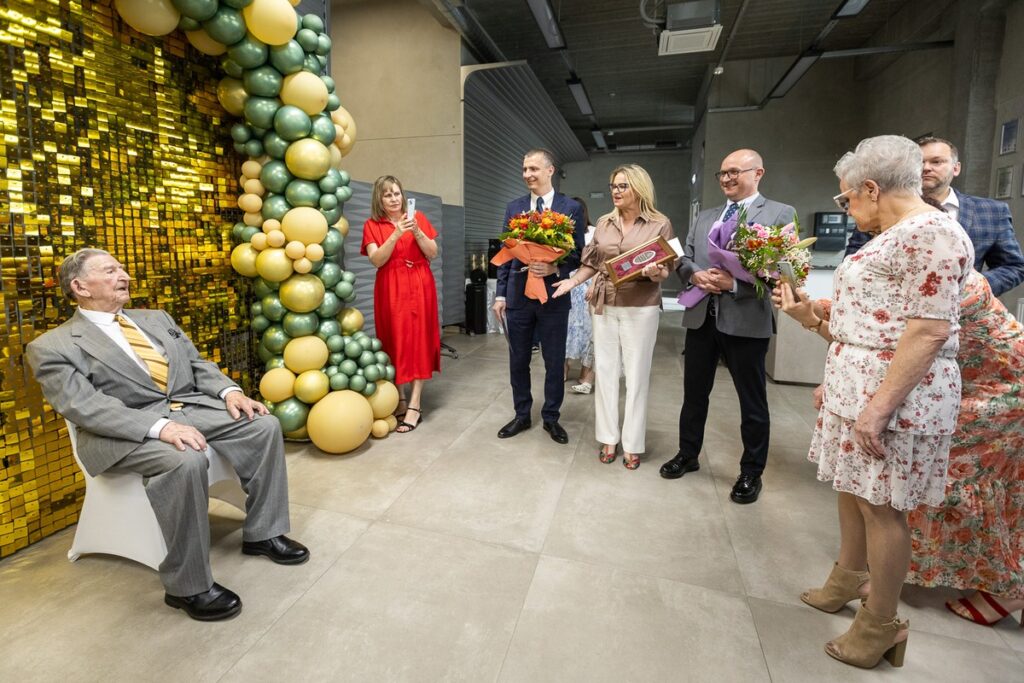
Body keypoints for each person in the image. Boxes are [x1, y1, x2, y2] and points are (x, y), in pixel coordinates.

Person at [26, 248, 308, 621]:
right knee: (184, 459)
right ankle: (187, 586)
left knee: (262, 424)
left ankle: (263, 533)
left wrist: (229, 392)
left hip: (187, 407)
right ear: (80, 287)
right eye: (110, 271)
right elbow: (85, 407)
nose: (124, 275)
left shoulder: (156, 318)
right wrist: (161, 428)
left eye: (122, 268)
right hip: (124, 431)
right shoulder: (52, 346)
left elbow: (195, 363)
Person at [779, 135, 973, 668]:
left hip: (897, 399)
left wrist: (880, 406)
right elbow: (870, 325)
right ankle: (848, 577)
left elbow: (929, 331)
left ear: (870, 188)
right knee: (852, 489)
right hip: (859, 385)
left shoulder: (932, 233)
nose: (846, 208)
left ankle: (881, 622)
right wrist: (811, 318)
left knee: (882, 508)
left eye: (845, 198)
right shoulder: (893, 234)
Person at [779, 271, 1024, 630]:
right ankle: (852, 576)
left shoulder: (941, 268)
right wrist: (813, 318)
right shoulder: (909, 261)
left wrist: (854, 386)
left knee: (922, 485)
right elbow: (867, 332)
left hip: (999, 390)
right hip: (950, 377)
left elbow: (901, 347)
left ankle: (1011, 588)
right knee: (864, 480)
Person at [659, 149, 795, 504]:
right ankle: (688, 454)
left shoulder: (780, 214)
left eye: (735, 172)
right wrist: (694, 274)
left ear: (758, 173)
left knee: (752, 402)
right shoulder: (706, 216)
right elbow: (684, 258)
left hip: (746, 320)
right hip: (701, 317)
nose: (727, 179)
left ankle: (751, 471)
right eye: (722, 173)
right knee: (693, 394)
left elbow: (785, 272)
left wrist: (733, 284)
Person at [552, 165, 674, 469]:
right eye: (613, 186)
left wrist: (656, 273)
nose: (616, 192)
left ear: (639, 188)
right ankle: (608, 437)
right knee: (605, 372)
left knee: (636, 376)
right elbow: (591, 264)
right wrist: (572, 282)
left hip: (641, 305)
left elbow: (666, 269)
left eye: (622, 186)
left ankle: (632, 443)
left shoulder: (660, 223)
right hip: (605, 304)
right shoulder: (605, 223)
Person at [845, 136, 1024, 296]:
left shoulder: (991, 211)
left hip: (964, 316)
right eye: (920, 163)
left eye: (937, 162)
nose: (926, 168)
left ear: (956, 168)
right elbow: (854, 259)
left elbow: (1013, 266)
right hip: (892, 312)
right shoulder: (879, 205)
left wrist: (968, 290)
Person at [492, 149, 586, 444]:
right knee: (518, 359)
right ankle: (522, 414)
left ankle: (551, 417)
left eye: (533, 168)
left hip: (554, 296)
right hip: (519, 296)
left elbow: (579, 253)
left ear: (550, 170)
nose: (527, 175)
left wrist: (556, 267)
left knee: (554, 361)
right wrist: (500, 295)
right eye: (524, 169)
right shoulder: (514, 207)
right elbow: (507, 254)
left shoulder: (570, 208)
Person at [361, 175, 440, 432]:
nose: (394, 199)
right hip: (390, 285)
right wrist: (396, 234)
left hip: (419, 282)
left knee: (419, 340)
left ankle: (415, 404)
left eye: (397, 193)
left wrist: (416, 230)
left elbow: (432, 252)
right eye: (388, 195)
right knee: (393, 338)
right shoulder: (372, 225)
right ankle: (401, 397)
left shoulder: (419, 218)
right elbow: (376, 260)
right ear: (379, 199)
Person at [566, 196, 596, 394]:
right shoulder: (561, 231)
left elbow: (600, 261)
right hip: (567, 284)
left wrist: (594, 285)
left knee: (588, 331)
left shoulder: (593, 232)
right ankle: (563, 368)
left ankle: (586, 374)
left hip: (586, 284)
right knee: (566, 328)